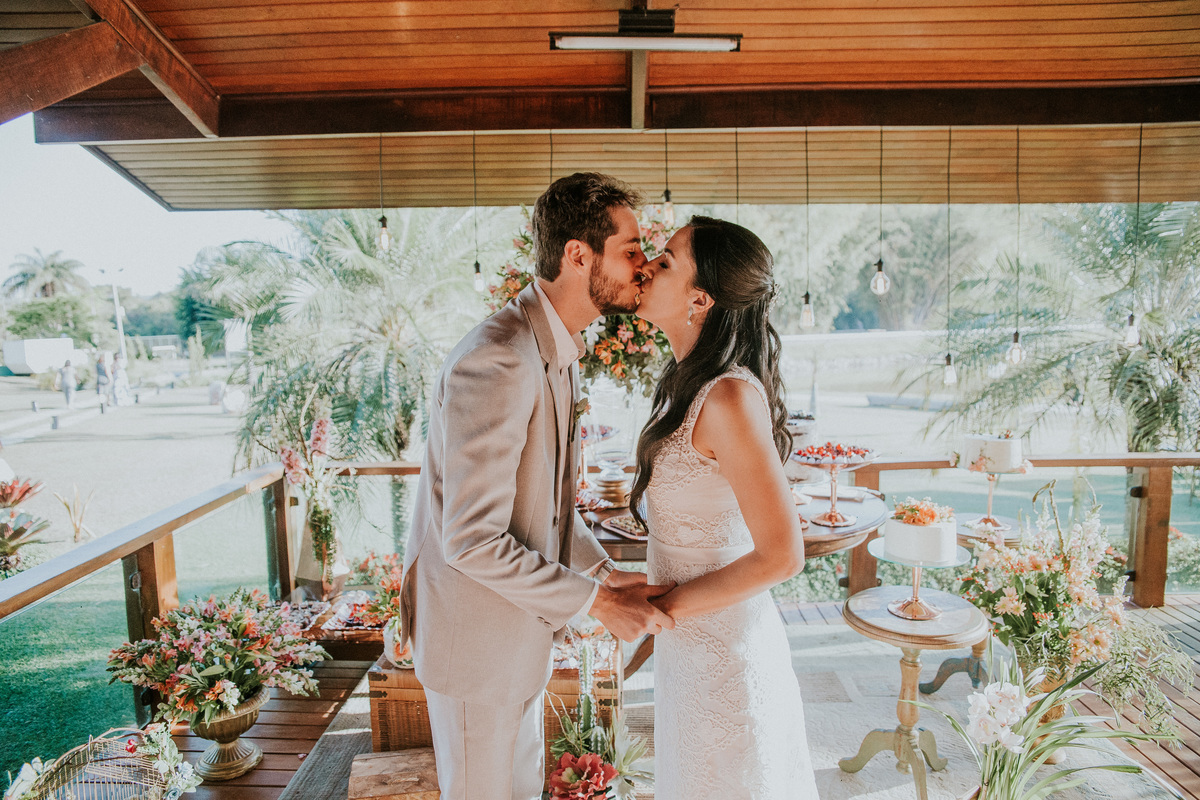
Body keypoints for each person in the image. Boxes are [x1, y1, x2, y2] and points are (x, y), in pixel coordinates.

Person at [398, 172, 676, 800]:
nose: (643, 265)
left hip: (513, 640)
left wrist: (602, 573)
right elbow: (470, 540)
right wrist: (597, 604)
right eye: (630, 249)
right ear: (579, 255)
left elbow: (546, 508)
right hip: (476, 650)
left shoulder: (554, 348)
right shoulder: (499, 356)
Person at [630, 216, 819, 799]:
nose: (645, 268)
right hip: (687, 652)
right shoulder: (688, 381)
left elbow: (784, 556)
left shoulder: (729, 396)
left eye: (664, 262)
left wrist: (663, 608)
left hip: (727, 661)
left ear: (699, 299)